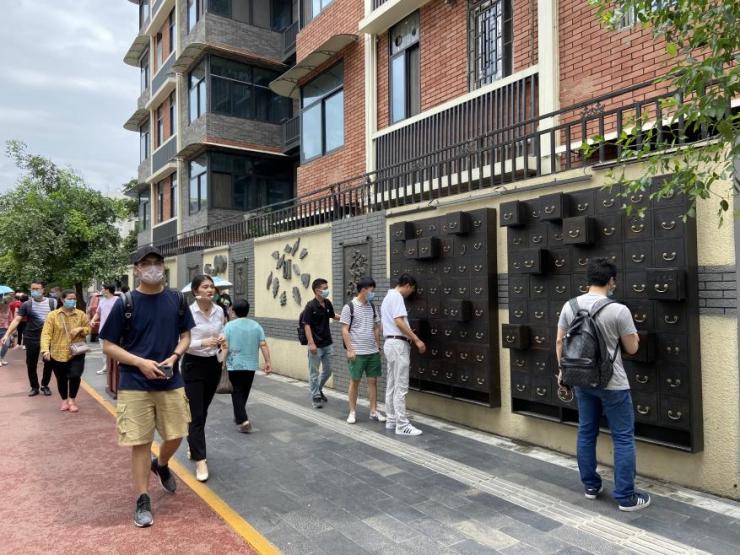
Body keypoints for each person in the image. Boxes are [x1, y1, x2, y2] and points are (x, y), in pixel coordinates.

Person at [100, 246, 195, 528]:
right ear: (137, 269)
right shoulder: (125, 303)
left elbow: (186, 336)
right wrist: (139, 362)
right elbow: (108, 345)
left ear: (164, 267)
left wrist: (175, 356)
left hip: (170, 380)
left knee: (177, 434)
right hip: (135, 384)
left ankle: (161, 464)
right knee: (140, 442)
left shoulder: (176, 299)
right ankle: (142, 498)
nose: (153, 267)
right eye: (146, 263)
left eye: (157, 262)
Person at [556, 257, 650, 512]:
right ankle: (626, 497)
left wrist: (563, 373)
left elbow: (560, 342)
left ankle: (590, 486)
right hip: (613, 383)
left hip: (582, 380)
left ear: (588, 280)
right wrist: (634, 338)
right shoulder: (618, 310)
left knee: (586, 432)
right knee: (623, 437)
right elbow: (632, 348)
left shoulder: (569, 306)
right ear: (611, 281)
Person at [182, 274, 226, 483]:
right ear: (195, 291)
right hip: (193, 365)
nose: (210, 290)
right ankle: (200, 460)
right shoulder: (187, 313)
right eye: (205, 287)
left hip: (213, 365)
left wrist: (222, 338)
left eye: (212, 287)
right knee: (196, 413)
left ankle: (193, 443)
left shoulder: (220, 311)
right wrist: (202, 343)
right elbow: (180, 342)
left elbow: (222, 330)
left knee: (203, 410)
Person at [381, 273, 426, 436]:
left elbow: (389, 324)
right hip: (398, 345)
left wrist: (406, 333)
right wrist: (416, 339)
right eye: (411, 290)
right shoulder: (397, 297)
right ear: (407, 285)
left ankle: (391, 419)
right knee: (401, 386)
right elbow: (399, 322)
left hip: (390, 342)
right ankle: (402, 425)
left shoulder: (387, 297)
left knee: (392, 384)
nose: (410, 293)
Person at [340, 277, 386, 424]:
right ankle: (352, 412)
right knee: (355, 382)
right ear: (363, 290)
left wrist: (377, 346)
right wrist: (350, 350)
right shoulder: (349, 307)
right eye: (372, 290)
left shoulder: (372, 307)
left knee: (373, 381)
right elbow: (345, 330)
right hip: (357, 353)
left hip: (372, 352)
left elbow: (376, 327)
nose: (373, 293)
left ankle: (373, 411)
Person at [222, 300, 272, 433]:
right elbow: (263, 345)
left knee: (236, 391)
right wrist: (268, 362)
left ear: (233, 311)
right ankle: (240, 415)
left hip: (234, 364)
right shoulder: (256, 326)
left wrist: (221, 362)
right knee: (245, 390)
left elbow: (225, 346)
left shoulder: (229, 326)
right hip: (251, 364)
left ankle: (243, 420)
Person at [1, 280, 57, 396]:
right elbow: (16, 320)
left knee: (49, 362)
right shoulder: (27, 305)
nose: (34, 291)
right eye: (32, 289)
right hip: (32, 337)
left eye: (37, 289)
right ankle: (34, 387)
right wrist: (7, 334)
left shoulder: (53, 302)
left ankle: (45, 385)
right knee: (31, 363)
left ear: (43, 290)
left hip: (49, 338)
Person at [40, 289, 90, 412]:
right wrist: (45, 350)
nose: (72, 301)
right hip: (58, 352)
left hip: (77, 352)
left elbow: (88, 329)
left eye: (74, 299)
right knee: (61, 378)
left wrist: (80, 329)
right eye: (69, 299)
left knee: (75, 375)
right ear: (62, 300)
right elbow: (46, 333)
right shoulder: (53, 315)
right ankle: (64, 400)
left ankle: (72, 400)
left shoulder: (81, 314)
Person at [302, 278, 340, 409]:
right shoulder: (310, 306)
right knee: (314, 373)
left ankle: (318, 388)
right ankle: (316, 396)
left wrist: (346, 318)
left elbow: (333, 315)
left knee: (328, 370)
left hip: (327, 343)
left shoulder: (327, 303)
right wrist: (311, 343)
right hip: (316, 345)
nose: (327, 290)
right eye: (325, 288)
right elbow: (306, 325)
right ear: (317, 290)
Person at [91, 285, 119, 374]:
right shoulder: (102, 301)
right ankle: (106, 367)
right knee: (104, 350)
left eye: (102, 289)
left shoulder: (118, 300)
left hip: (115, 330)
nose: (101, 291)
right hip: (103, 330)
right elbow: (98, 313)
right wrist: (93, 320)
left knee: (116, 349)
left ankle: (118, 367)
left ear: (107, 290)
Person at [0, 295, 13, 365]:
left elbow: (11, 320)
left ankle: (1, 358)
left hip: (5, 329)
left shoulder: (8, 308)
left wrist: (11, 332)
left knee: (6, 344)